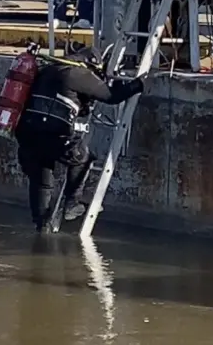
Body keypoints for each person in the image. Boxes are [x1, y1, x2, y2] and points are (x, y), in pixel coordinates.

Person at [15, 45, 145, 232]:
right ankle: (72, 203)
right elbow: (111, 96)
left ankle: (42, 226)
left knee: (42, 181)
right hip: (52, 134)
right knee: (82, 157)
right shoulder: (78, 74)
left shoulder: (49, 69)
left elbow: (71, 101)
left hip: (26, 133)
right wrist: (137, 84)